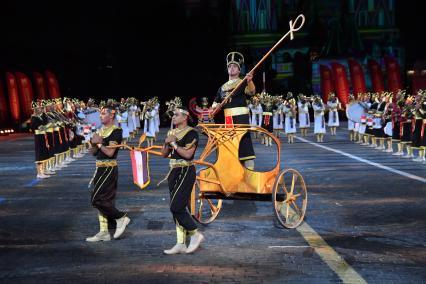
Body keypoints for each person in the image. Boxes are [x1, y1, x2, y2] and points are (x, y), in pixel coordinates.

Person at [161, 106, 204, 254]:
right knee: (177, 208)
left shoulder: (192, 132)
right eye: (173, 115)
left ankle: (195, 234)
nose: (173, 117)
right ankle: (180, 243)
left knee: (176, 206)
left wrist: (174, 143)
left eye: (177, 114)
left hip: (186, 170)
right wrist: (167, 143)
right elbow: (164, 154)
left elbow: (188, 155)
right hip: (173, 171)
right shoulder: (171, 132)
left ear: (185, 117)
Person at [86, 104, 130, 242]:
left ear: (112, 115)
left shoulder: (116, 131)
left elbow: (110, 153)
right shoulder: (100, 130)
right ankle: (104, 232)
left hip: (109, 168)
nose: (101, 115)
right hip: (99, 168)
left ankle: (121, 217)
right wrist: (93, 143)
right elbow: (93, 153)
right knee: (103, 200)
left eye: (104, 113)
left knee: (96, 199)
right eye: (100, 113)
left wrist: (99, 144)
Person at [212, 51, 256, 169]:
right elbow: (214, 104)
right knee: (231, 148)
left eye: (235, 66)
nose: (231, 68)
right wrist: (215, 108)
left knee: (244, 145)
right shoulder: (222, 88)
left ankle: (249, 173)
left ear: (239, 69)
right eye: (230, 66)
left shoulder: (242, 82)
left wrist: (250, 80)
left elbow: (252, 92)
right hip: (227, 121)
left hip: (241, 120)